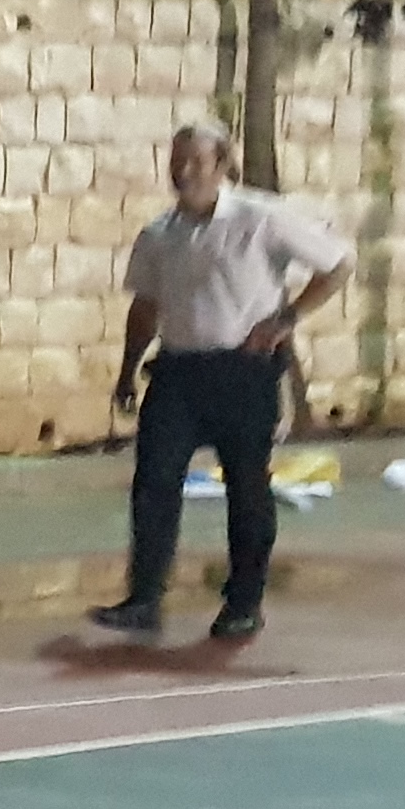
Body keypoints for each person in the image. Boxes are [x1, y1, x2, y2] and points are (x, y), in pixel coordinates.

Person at [90, 122, 352, 643]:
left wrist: (286, 319)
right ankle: (144, 598)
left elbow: (339, 263)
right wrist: (126, 371)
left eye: (196, 161)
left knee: (247, 485)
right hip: (178, 372)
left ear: (223, 164)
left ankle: (243, 602)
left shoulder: (261, 218)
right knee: (154, 480)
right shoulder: (159, 234)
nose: (183, 172)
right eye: (176, 161)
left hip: (244, 370)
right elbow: (145, 308)